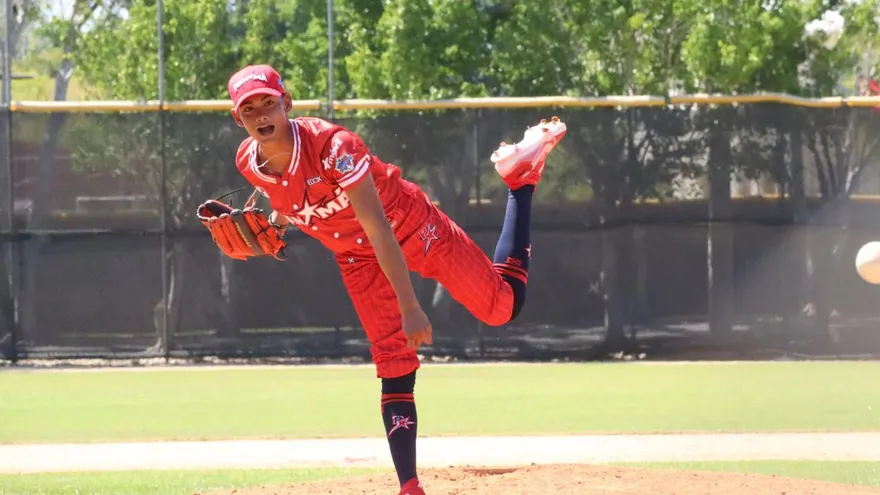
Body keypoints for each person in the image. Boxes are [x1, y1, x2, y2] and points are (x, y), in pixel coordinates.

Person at [225, 64, 566, 495]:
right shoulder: (247, 162)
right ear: (239, 118)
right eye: (249, 108)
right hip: (355, 257)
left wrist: (410, 306)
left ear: (286, 103)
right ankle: (409, 485)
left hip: (408, 224)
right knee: (393, 363)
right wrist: (276, 224)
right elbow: (286, 196)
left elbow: (378, 228)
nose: (260, 114)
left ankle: (519, 181)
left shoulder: (334, 148)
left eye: (268, 103)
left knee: (501, 308)